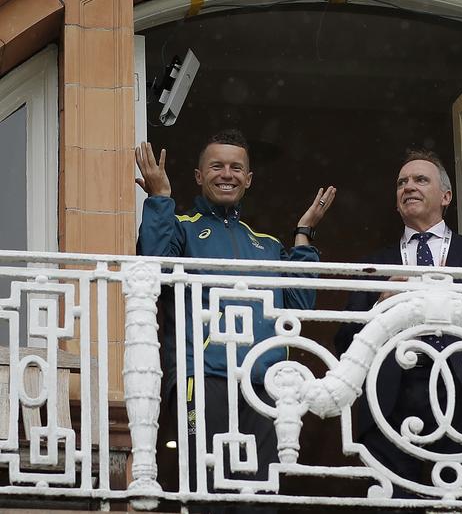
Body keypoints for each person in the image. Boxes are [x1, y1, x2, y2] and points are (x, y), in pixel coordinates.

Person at [135, 129, 335, 490]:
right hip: (203, 376)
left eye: (236, 168)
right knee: (207, 487)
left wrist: (304, 235)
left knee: (259, 494)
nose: (227, 174)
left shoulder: (267, 245)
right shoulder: (182, 228)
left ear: (248, 179)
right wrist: (160, 198)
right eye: (217, 166)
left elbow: (299, 305)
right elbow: (152, 266)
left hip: (263, 385)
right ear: (199, 176)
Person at [334, 147, 462, 496]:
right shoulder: (374, 264)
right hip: (391, 394)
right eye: (401, 182)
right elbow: (345, 342)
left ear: (446, 196)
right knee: (393, 501)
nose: (409, 187)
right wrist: (377, 308)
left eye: (421, 180)